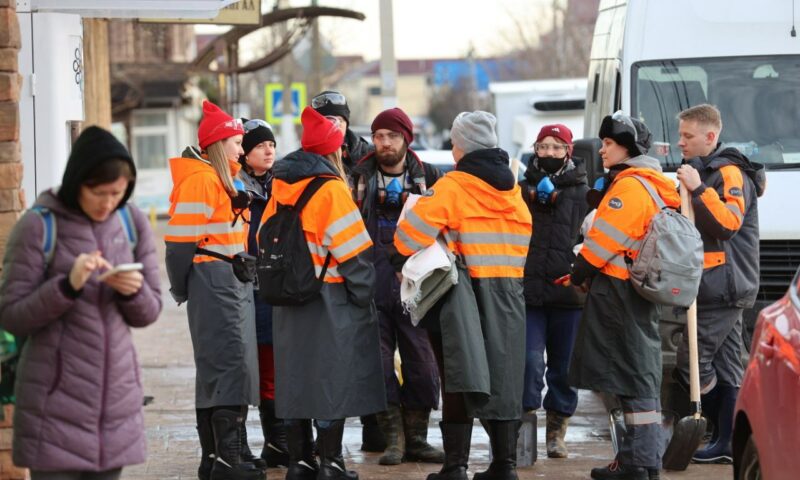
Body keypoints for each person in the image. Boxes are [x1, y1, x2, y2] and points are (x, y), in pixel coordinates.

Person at [0, 126, 162, 480]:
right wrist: (67, 286)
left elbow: (150, 310)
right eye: (99, 192)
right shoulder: (38, 227)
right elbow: (12, 316)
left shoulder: (130, 221)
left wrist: (131, 290)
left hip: (115, 407)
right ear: (77, 184)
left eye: (117, 193)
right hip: (53, 408)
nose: (108, 203)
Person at [394, 111, 532, 480]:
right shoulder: (514, 190)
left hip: (463, 293)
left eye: (454, 142)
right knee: (504, 376)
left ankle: (455, 466)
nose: (452, 148)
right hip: (509, 292)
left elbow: (406, 238)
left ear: (463, 147)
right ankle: (504, 466)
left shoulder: (454, 186)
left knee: (458, 372)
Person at [261, 106, 385, 480]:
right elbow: (353, 251)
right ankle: (330, 463)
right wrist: (365, 293)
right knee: (332, 377)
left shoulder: (281, 183)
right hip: (329, 296)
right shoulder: (331, 189)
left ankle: (300, 463)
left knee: (295, 377)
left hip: (288, 297)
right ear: (333, 151)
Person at [564, 112, 679, 480]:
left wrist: (580, 270)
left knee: (634, 378)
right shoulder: (650, 183)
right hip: (631, 290)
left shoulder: (630, 187)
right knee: (632, 377)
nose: (602, 149)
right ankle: (635, 460)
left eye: (609, 143)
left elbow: (603, 241)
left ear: (627, 147)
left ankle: (641, 464)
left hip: (618, 291)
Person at [165, 100, 262, 480]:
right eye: (237, 142)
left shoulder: (221, 179)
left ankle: (216, 458)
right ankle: (228, 460)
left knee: (218, 369)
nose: (242, 149)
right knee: (229, 366)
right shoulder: (203, 181)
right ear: (220, 144)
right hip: (216, 282)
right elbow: (178, 244)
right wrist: (181, 287)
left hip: (225, 279)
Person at [348, 107, 444, 466]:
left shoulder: (429, 177)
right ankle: (394, 441)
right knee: (378, 363)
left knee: (422, 364)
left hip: (415, 285)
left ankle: (418, 439)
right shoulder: (358, 178)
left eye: (391, 136)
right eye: (378, 136)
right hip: (371, 285)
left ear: (406, 139)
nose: (383, 143)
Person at [672, 104, 765, 464]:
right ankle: (730, 442)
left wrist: (697, 190)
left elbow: (727, 224)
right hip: (717, 283)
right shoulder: (704, 171)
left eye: (688, 136)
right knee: (729, 367)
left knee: (691, 361)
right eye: (680, 134)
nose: (680, 142)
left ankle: (723, 431)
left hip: (725, 286)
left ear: (710, 137)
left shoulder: (727, 173)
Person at [311, 91, 383, 452]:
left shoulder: (368, 157)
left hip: (368, 258)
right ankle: (327, 448)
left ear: (346, 120)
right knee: (334, 358)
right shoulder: (313, 158)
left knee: (372, 351)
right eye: (324, 120)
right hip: (332, 265)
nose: (331, 125)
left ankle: (376, 429)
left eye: (336, 119)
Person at [519, 124, 589, 458]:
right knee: (530, 362)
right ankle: (525, 425)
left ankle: (556, 432)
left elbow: (593, 238)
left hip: (568, 294)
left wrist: (579, 272)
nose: (548, 154)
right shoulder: (519, 190)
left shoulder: (584, 192)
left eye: (556, 148)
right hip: (529, 292)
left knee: (563, 368)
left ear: (568, 152)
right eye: (543, 147)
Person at [236, 118, 290, 467]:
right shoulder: (236, 190)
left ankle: (279, 441)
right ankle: (261, 441)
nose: (268, 150)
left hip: (278, 286)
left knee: (277, 362)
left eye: (270, 144)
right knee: (251, 364)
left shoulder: (283, 185)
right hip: (246, 286)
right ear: (244, 153)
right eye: (259, 145)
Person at [311, 90, 373, 171]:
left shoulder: (367, 154)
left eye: (340, 120)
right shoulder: (304, 159)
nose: (335, 125)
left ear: (346, 124)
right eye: (329, 120)